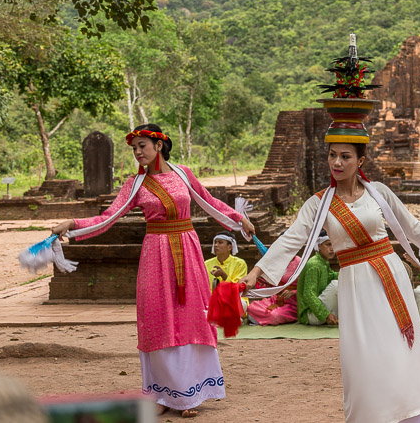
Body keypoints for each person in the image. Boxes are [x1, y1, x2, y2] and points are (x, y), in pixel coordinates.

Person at [240, 36, 420, 423]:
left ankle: (413, 417)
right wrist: (257, 272)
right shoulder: (319, 203)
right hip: (355, 284)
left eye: (345, 156)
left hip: (390, 277)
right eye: (332, 155)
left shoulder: (378, 194)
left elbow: (413, 229)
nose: (336, 162)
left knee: (401, 351)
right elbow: (291, 239)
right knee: (365, 361)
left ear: (360, 158)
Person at [51, 124, 255, 419]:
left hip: (186, 249)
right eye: (134, 148)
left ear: (159, 146)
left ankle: (189, 394)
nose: (137, 152)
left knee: (189, 318)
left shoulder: (184, 174)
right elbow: (108, 217)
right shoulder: (135, 185)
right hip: (155, 254)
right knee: (157, 319)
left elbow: (209, 203)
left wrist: (239, 220)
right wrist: (72, 224)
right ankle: (161, 393)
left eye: (142, 146)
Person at [246, 255, 303, 326]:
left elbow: (306, 286)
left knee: (274, 315)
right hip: (276, 299)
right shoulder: (278, 261)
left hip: (292, 303)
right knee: (252, 307)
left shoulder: (301, 263)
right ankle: (262, 319)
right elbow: (274, 284)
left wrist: (293, 292)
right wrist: (264, 281)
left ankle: (260, 319)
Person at [297, 231, 339, 325]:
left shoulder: (324, 262)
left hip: (318, 312)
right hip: (310, 315)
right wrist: (326, 315)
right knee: (337, 285)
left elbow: (332, 276)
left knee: (344, 281)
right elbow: (308, 295)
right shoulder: (314, 265)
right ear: (319, 246)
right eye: (328, 244)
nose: (332, 248)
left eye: (334, 244)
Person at [206, 230, 249, 320]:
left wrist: (224, 276)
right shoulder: (206, 264)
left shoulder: (240, 263)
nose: (216, 245)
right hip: (211, 303)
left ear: (229, 247)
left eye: (220, 242)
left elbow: (239, 288)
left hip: (233, 301)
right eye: (215, 242)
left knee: (241, 304)